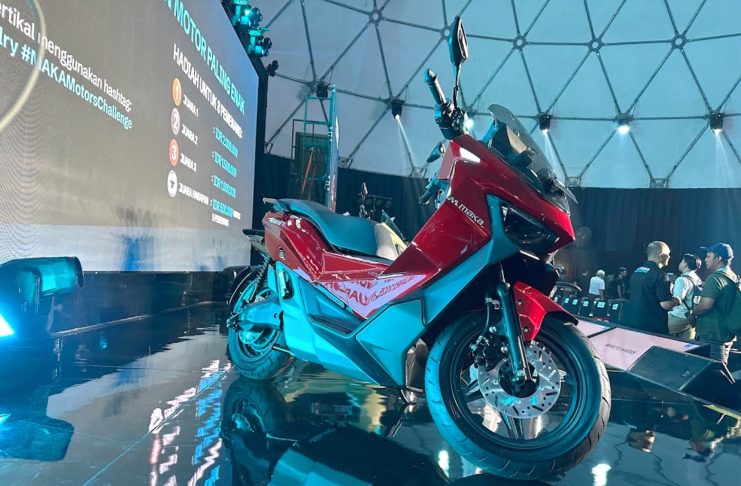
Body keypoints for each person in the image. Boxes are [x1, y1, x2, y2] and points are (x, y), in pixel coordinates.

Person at [689, 243, 737, 365]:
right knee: (719, 369)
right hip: (726, 333)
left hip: (712, 335)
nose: (705, 259)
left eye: (708, 256)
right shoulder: (733, 277)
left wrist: (693, 314)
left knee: (713, 372)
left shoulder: (714, 278)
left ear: (718, 258)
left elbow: (706, 305)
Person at [627, 241, 678, 334]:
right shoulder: (660, 275)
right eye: (668, 254)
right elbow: (666, 305)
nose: (669, 257)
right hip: (654, 328)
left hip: (635, 324)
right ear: (661, 255)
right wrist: (676, 301)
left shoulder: (636, 272)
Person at [667, 254, 703, 340]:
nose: (680, 264)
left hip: (679, 315)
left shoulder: (681, 279)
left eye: (681, 261)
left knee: (656, 329)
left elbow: (677, 300)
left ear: (685, 264)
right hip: (691, 317)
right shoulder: (697, 278)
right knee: (686, 344)